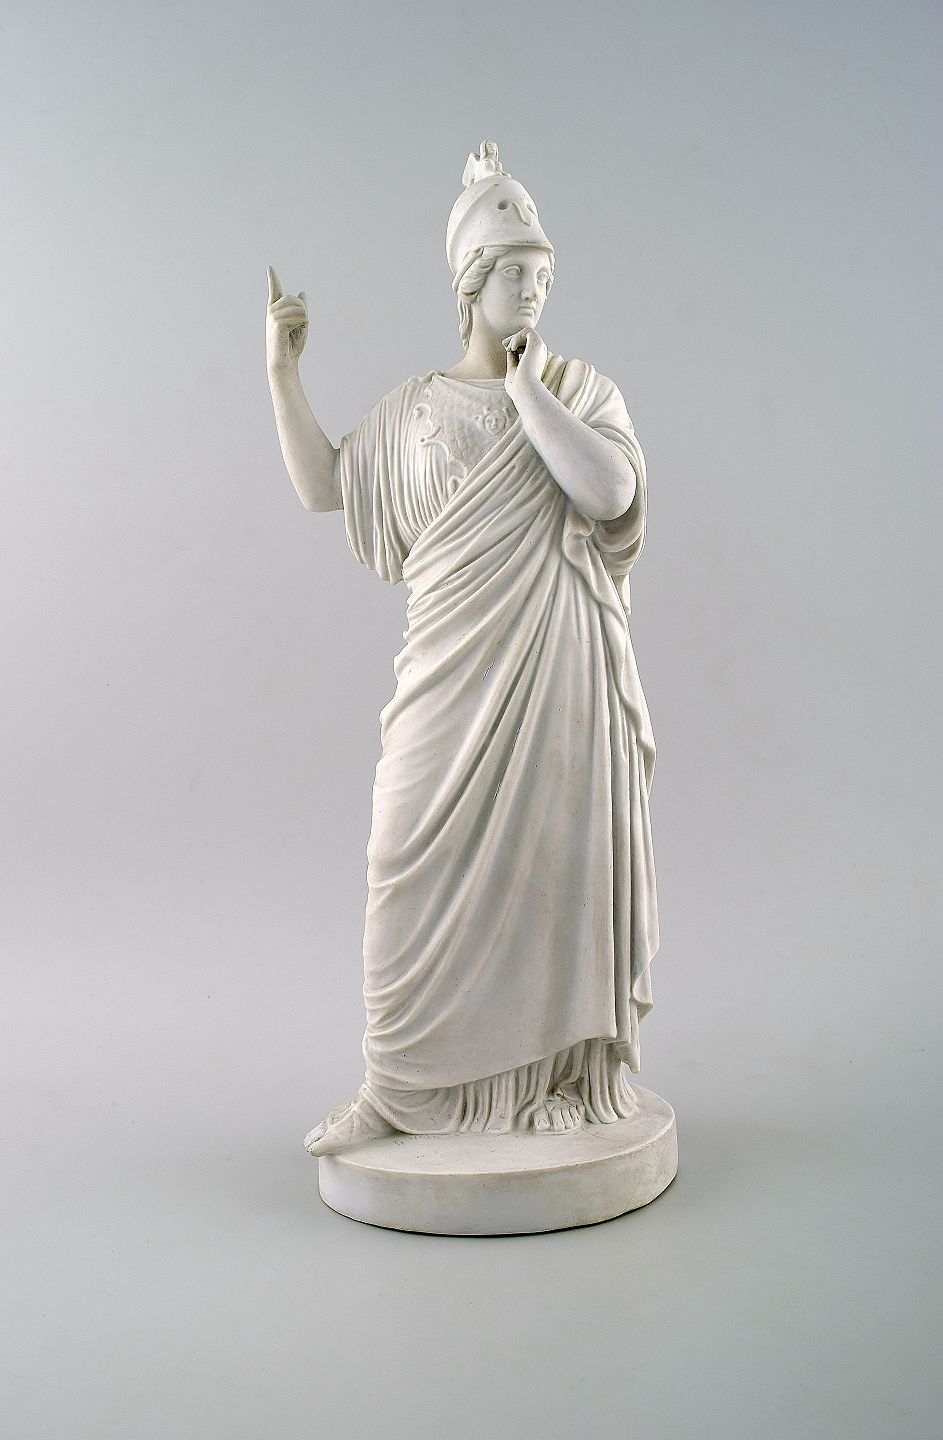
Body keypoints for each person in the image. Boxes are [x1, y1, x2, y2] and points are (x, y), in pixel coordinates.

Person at [266, 142, 659, 1155]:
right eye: (514, 273)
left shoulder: (580, 390)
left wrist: (530, 395)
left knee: (552, 877)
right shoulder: (413, 409)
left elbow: (610, 492)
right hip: (447, 677)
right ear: (471, 283)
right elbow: (325, 485)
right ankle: (396, 1088)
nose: (532, 291)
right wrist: (282, 372)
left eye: (541, 274)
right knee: (400, 855)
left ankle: (551, 1081)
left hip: (555, 676)